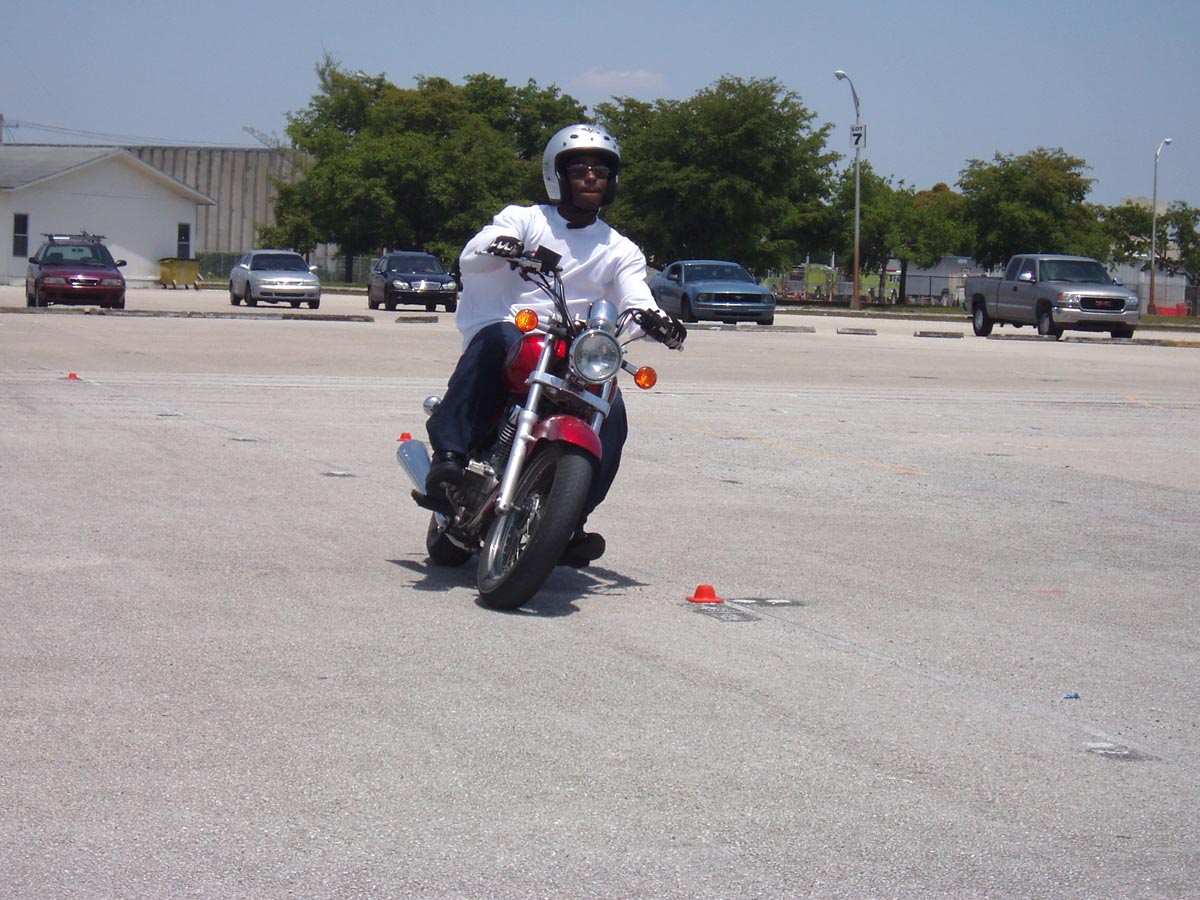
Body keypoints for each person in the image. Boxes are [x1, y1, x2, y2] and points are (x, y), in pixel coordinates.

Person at [424, 122, 685, 568]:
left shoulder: (620, 248)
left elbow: (635, 295)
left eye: (601, 171)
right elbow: (475, 251)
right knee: (496, 339)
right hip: (521, 331)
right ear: (557, 175)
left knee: (613, 409)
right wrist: (501, 244)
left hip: (578, 347)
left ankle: (569, 519)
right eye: (580, 169)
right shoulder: (525, 220)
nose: (591, 177)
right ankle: (450, 454)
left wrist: (655, 318)